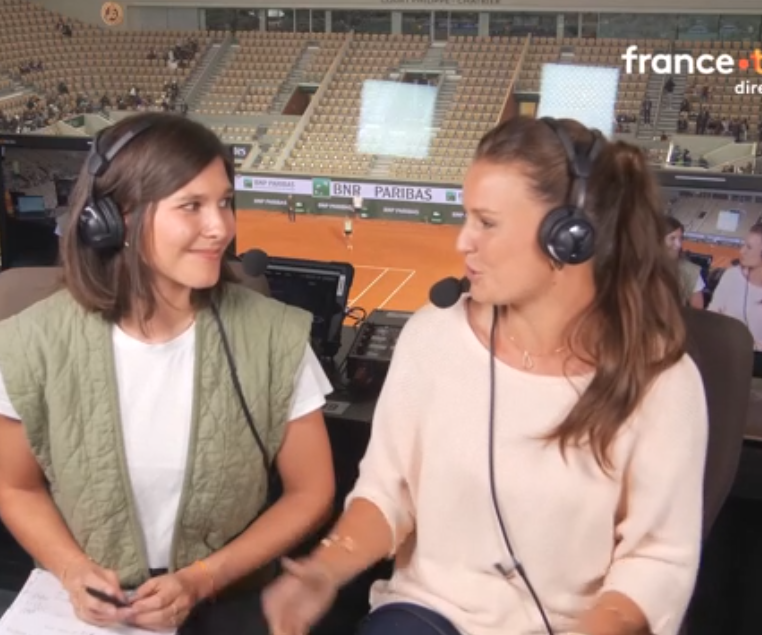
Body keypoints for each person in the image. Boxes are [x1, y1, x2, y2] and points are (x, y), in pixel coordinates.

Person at [262, 117, 708, 635]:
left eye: (487, 223)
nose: (463, 242)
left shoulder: (664, 382)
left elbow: (657, 560)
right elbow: (387, 493)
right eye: (466, 217)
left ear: (569, 237)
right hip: (427, 615)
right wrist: (325, 569)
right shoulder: (432, 337)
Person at [0, 113, 335, 634]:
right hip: (90, 615)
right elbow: (18, 488)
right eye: (191, 206)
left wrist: (203, 578)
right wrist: (73, 570)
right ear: (113, 219)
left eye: (224, 202)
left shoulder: (275, 336)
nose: (221, 227)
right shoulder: (32, 342)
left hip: (228, 599)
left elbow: (311, 490)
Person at [708, 223, 762, 351]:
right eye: (743, 245)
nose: (742, 251)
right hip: (726, 352)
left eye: (749, 247)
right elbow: (712, 316)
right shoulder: (731, 276)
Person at [664, 216, 705, 308]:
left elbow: (698, 311)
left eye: (680, 238)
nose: (678, 245)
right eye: (672, 238)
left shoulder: (690, 272)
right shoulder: (642, 269)